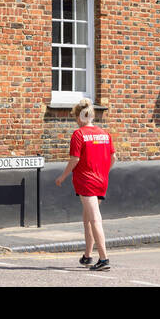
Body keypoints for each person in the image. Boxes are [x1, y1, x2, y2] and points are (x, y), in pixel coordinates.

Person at [54, 98, 113, 270]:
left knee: (94, 219)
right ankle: (87, 256)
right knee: (87, 218)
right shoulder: (104, 134)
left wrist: (62, 177)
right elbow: (114, 157)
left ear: (79, 117)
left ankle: (103, 259)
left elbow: (75, 159)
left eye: (75, 117)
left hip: (86, 181)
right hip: (102, 180)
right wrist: (103, 172)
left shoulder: (79, 134)